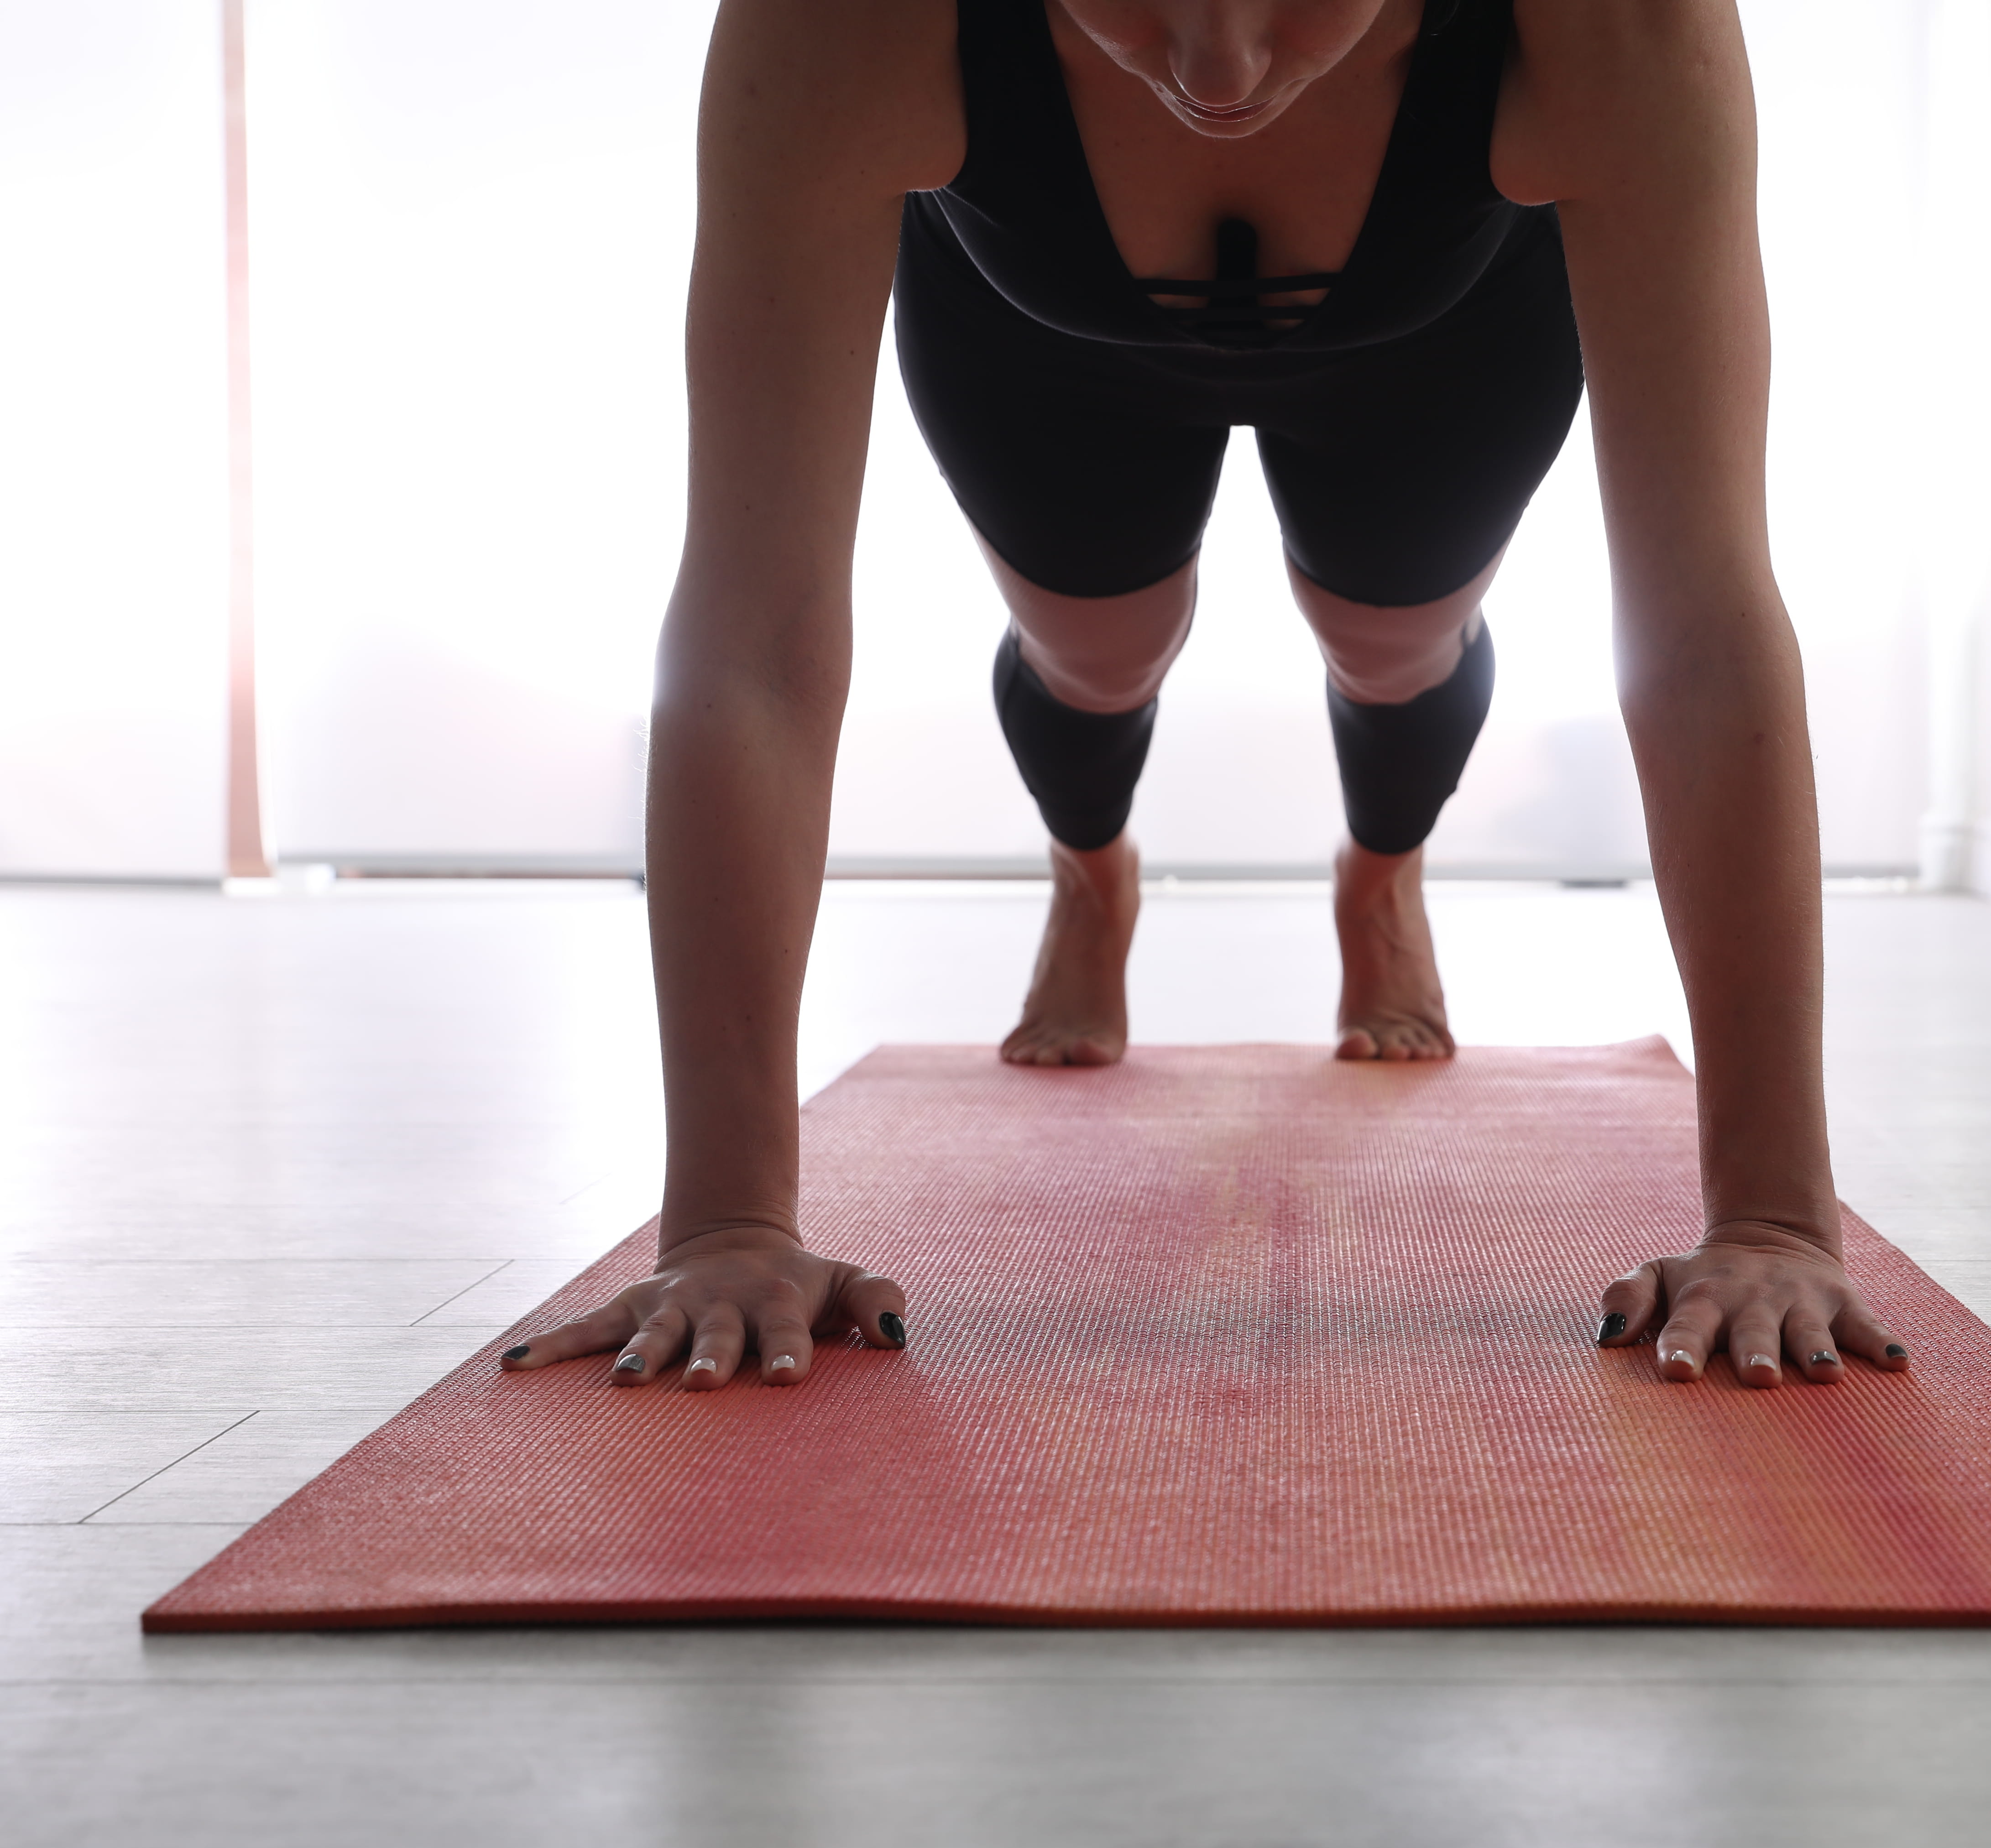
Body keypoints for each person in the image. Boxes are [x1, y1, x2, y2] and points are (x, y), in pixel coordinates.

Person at [504, 0, 1907, 1394]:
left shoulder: (1612, 27)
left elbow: (1704, 628)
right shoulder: (854, 24)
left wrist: (1777, 1219)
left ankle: (1385, 872)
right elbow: (755, 632)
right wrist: (727, 1223)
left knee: (1393, 648)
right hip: (1042, 324)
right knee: (1097, 655)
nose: (1217, 69)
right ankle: (1091, 870)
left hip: (1442, 321)